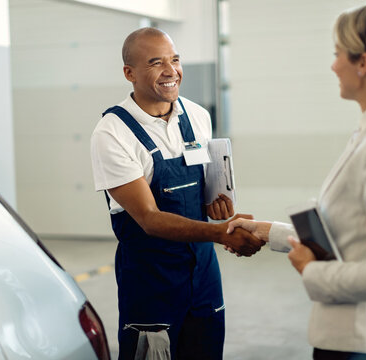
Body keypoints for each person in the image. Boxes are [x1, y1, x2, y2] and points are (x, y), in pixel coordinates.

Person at [227, 3, 366, 359]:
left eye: (338, 54)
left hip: (359, 343)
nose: (333, 65)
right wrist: (265, 230)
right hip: (348, 339)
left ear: (363, 63)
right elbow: (345, 234)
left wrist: (311, 271)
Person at [90, 27, 265, 359]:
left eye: (175, 59)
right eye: (156, 63)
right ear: (130, 73)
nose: (171, 71)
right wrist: (222, 233)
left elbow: (207, 193)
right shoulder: (112, 133)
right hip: (151, 282)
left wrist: (217, 206)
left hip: (204, 276)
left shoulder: (198, 117)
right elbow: (150, 220)